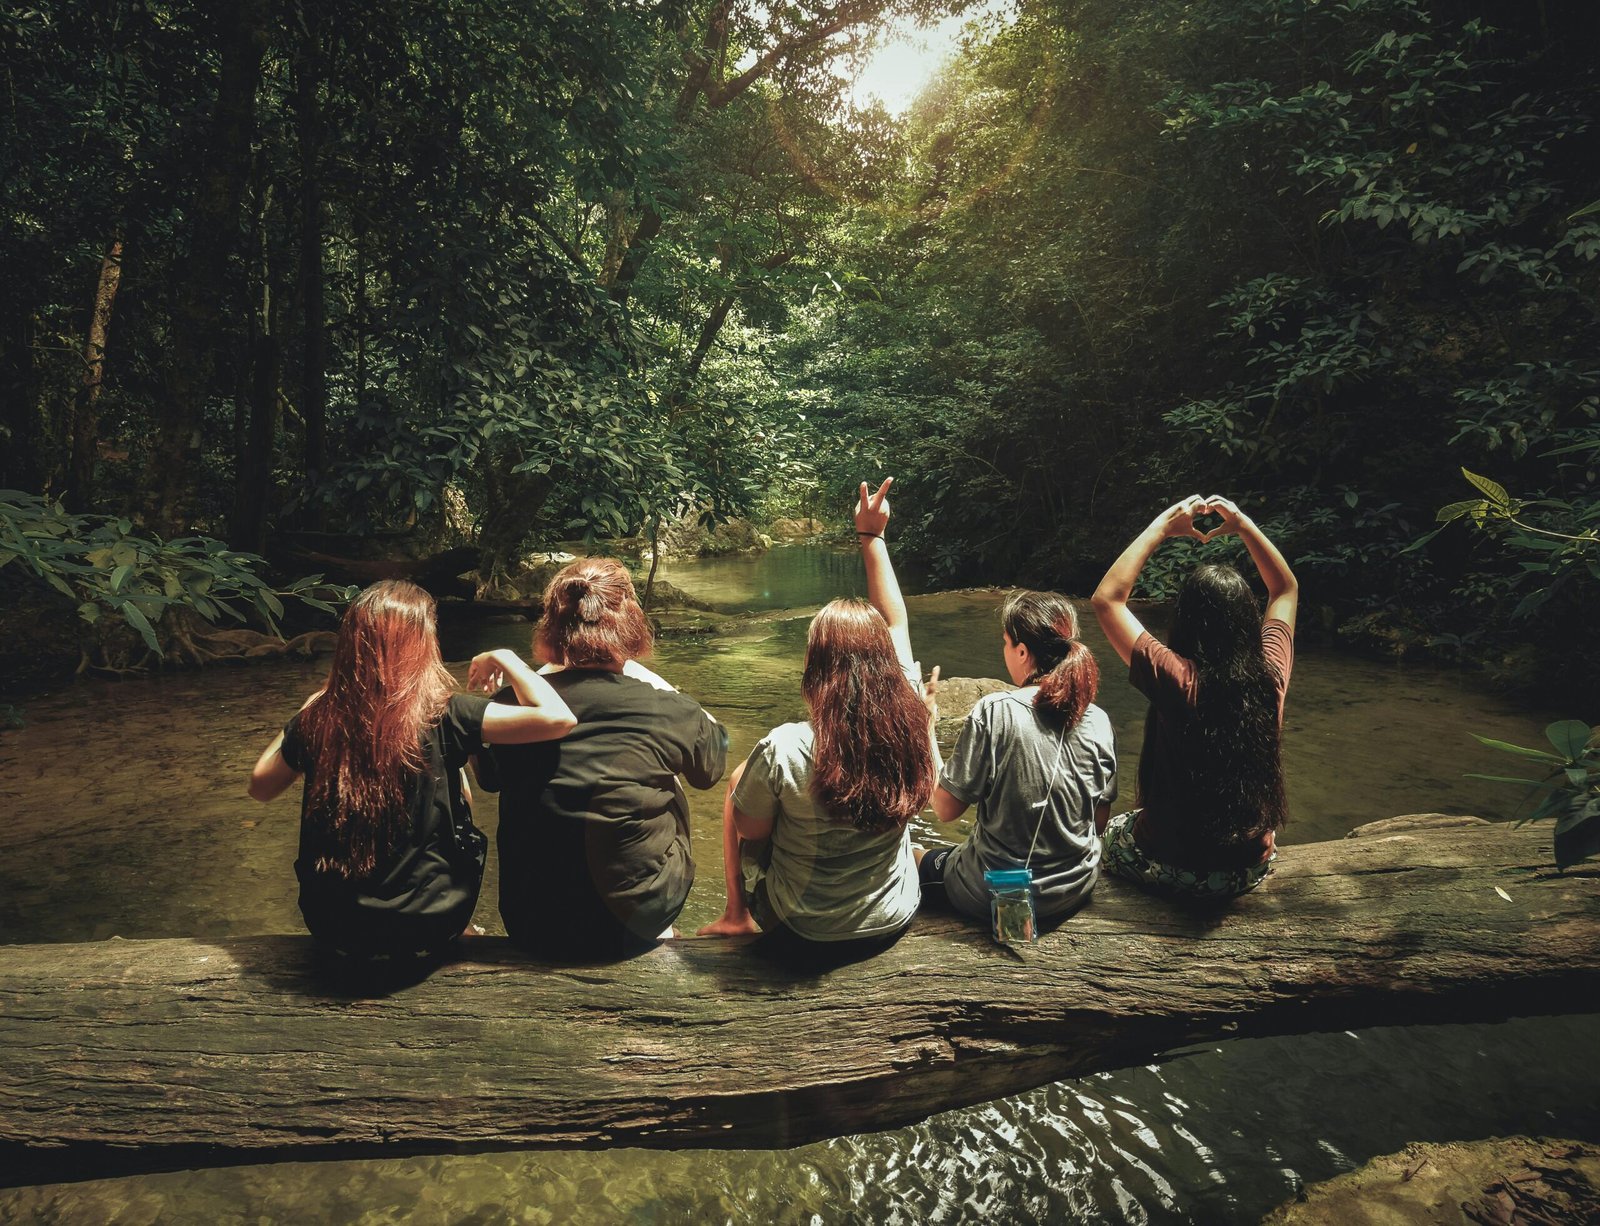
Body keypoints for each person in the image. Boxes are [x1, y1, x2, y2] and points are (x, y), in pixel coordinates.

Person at [248, 579, 576, 957]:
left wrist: (311, 708)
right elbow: (558, 718)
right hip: (427, 923)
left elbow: (261, 787)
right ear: (423, 645)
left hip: (332, 924)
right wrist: (507, 657)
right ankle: (458, 928)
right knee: (452, 776)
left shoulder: (319, 717)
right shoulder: (445, 713)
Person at [698, 478, 937, 962]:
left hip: (799, 930)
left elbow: (752, 831)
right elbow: (896, 624)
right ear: (885, 665)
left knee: (742, 782)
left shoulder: (787, 747)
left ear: (816, 670)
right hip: (891, 919)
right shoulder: (911, 716)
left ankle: (735, 912)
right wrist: (873, 537)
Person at [481, 557, 728, 960]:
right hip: (636, 922)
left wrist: (530, 680)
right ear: (631, 624)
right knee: (666, 772)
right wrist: (651, 680)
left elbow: (490, 778)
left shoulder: (513, 704)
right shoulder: (670, 709)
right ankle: (657, 917)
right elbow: (711, 769)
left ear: (551, 627)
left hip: (532, 922)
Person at [1091, 495, 1298, 900]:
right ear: (1247, 621)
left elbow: (1107, 599)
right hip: (1246, 869)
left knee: (1113, 831)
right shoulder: (1270, 675)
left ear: (1184, 620)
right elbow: (1285, 589)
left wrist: (1164, 526)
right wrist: (1242, 525)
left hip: (1172, 866)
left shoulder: (1177, 678)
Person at [917, 591, 1117, 926]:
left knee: (913, 856)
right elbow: (1098, 822)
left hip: (1002, 896)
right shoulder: (1098, 719)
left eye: (1006, 642)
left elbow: (945, 809)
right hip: (1075, 888)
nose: (1005, 650)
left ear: (1022, 651)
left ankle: (1011, 923)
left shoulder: (996, 711)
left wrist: (927, 725)